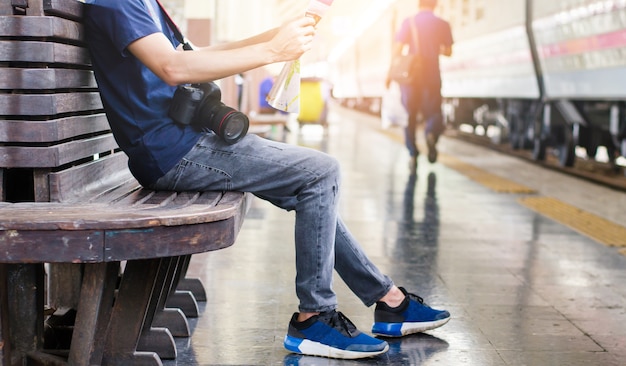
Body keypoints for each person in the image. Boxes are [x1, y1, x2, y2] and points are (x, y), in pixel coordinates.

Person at [83, 0, 450, 360]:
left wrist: (274, 38)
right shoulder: (117, 2)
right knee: (320, 172)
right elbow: (173, 66)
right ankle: (314, 318)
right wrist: (273, 49)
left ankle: (390, 302)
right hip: (174, 152)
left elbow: (200, 52)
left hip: (184, 142)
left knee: (311, 185)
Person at [387, 0, 453, 167]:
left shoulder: (409, 22)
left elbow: (397, 49)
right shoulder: (443, 24)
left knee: (409, 115)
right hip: (432, 75)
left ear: (419, 4)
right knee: (434, 112)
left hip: (411, 77)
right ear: (435, 4)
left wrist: (389, 72)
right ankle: (431, 133)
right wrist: (435, 48)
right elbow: (449, 52)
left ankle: (413, 154)